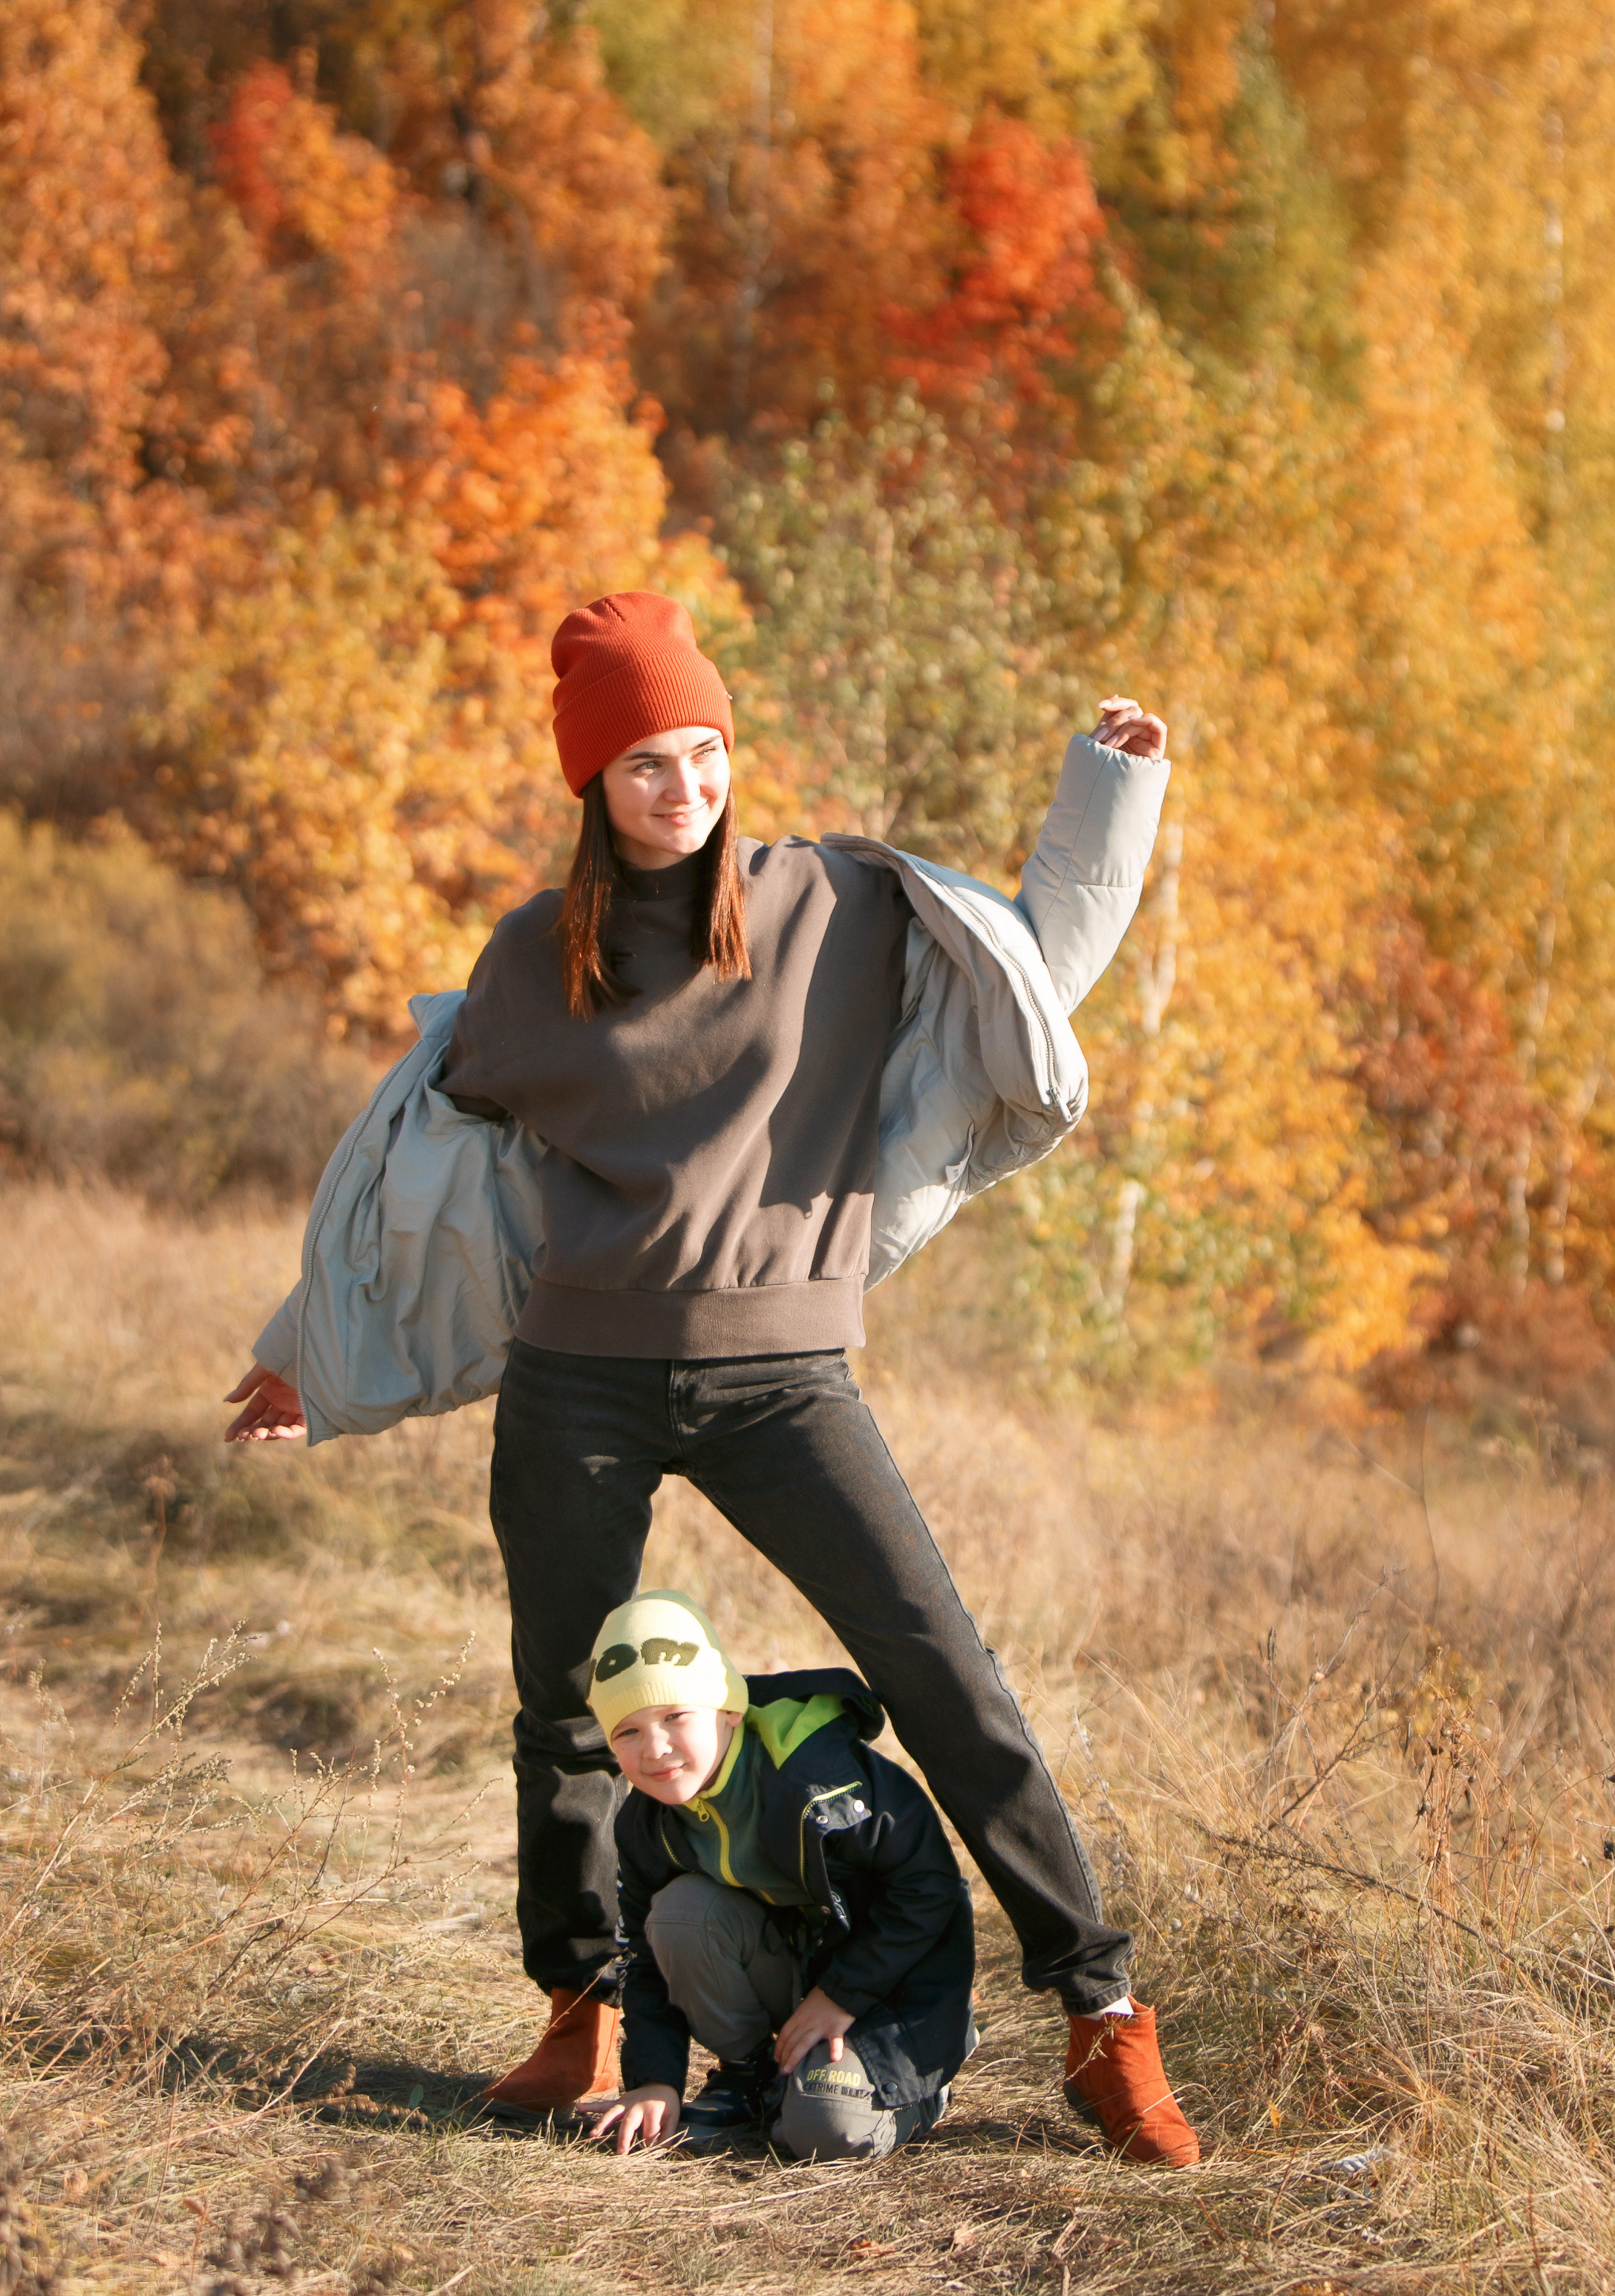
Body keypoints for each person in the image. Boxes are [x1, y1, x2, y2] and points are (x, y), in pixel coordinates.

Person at [224, 589, 1199, 2167]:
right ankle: (582, 2013)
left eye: (702, 754)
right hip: (576, 1386)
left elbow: (1031, 963)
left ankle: (1098, 2012)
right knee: (561, 1710)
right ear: (590, 786)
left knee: (947, 1675)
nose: (681, 789)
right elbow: (412, 1182)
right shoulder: (533, 961)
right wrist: (308, 1359)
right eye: (644, 766)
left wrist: (1109, 790)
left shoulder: (835, 905)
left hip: (781, 1379)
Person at [581, 1589, 973, 2161]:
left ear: (729, 1709)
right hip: (798, 1972)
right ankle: (751, 2074)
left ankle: (916, 2091)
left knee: (824, 2133)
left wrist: (841, 1995)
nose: (655, 1749)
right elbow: (643, 1953)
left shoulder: (822, 1777)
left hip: (888, 1985)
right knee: (680, 1913)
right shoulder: (648, 1819)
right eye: (627, 1732)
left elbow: (929, 1888)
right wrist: (654, 2079)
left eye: (675, 1716)